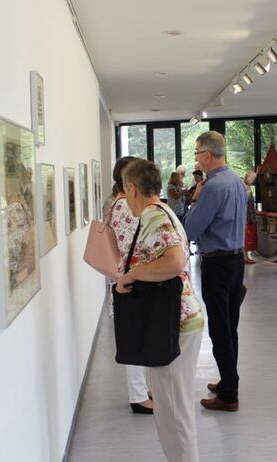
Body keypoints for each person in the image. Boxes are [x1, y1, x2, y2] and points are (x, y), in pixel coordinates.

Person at [116, 159, 205, 462]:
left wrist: (131, 275)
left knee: (173, 413)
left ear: (132, 187)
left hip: (174, 324)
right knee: (172, 410)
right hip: (179, 320)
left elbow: (175, 261)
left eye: (125, 190)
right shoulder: (163, 211)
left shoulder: (154, 215)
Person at [184, 131, 247, 412]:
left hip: (217, 264)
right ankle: (228, 380)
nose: (196, 159)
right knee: (229, 325)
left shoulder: (211, 187)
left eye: (197, 153)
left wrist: (195, 200)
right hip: (236, 261)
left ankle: (229, 395)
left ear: (208, 155)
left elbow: (190, 228)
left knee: (220, 329)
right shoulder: (235, 181)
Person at [109, 157, 154, 415]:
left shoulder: (117, 204)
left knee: (138, 336)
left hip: (128, 277)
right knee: (136, 338)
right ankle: (138, 397)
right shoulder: (125, 206)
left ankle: (141, 391)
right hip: (131, 279)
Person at [243, 170, 258, 264]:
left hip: (249, 216)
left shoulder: (247, 187)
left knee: (248, 237)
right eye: (252, 178)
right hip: (246, 216)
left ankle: (246, 257)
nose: (253, 180)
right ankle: (245, 257)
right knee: (246, 238)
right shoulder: (246, 188)